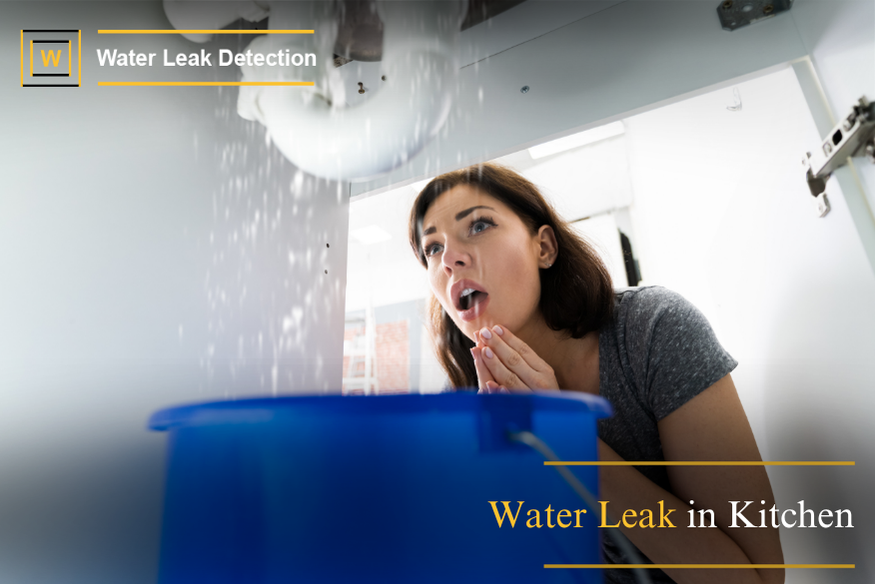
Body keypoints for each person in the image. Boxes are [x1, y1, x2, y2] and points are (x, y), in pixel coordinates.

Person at [407, 163, 784, 584]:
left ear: (544, 247)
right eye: (432, 248)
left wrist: (570, 442)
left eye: (478, 225)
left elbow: (757, 578)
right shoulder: (461, 400)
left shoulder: (651, 331)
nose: (450, 259)